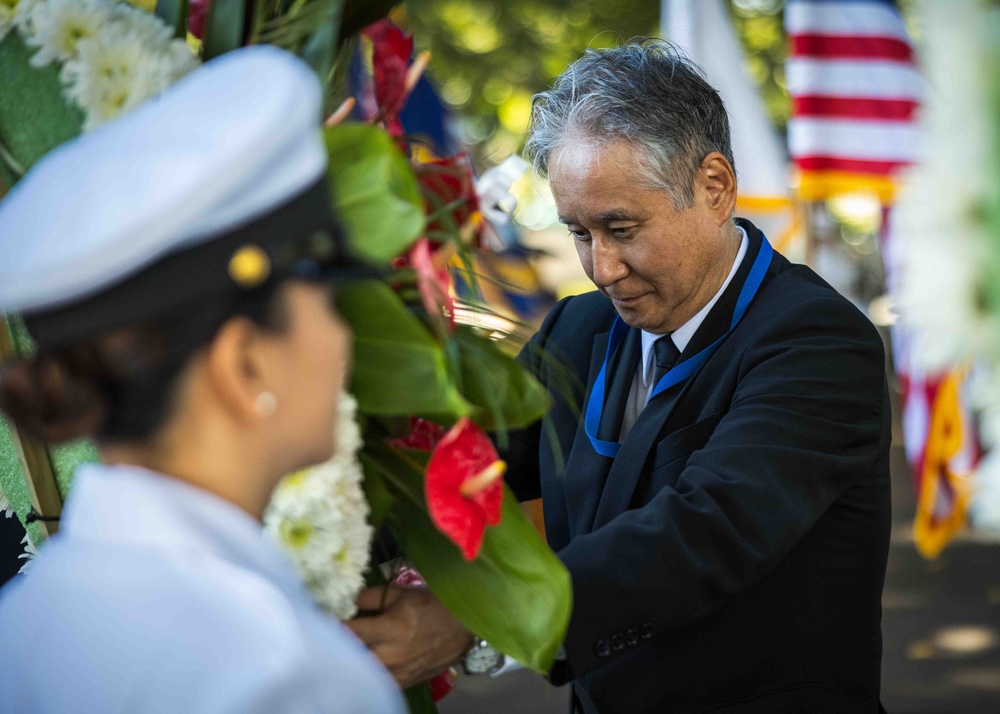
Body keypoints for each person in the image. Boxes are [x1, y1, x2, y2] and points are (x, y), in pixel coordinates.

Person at [348, 40, 891, 713]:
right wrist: (328, 525)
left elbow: (706, 528)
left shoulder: (818, 342)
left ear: (715, 188)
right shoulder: (576, 331)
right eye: (579, 232)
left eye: (621, 227)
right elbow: (458, 472)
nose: (601, 268)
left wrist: (466, 619)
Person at [0, 47, 404, 714]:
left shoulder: (26, 624)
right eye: (327, 304)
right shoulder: (284, 678)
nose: (340, 338)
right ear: (244, 366)